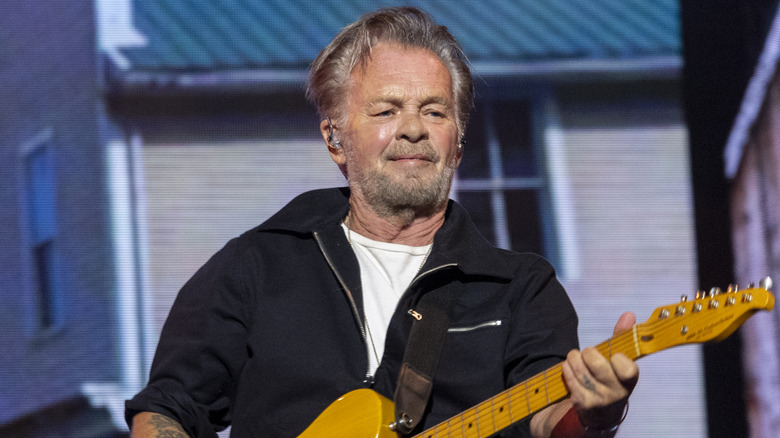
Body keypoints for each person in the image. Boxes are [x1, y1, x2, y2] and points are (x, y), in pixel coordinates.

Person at [126, 6, 638, 437]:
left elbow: (548, 421)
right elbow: (166, 409)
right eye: (387, 111)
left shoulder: (522, 288)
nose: (413, 129)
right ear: (335, 139)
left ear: (458, 145)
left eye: (435, 112)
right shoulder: (255, 265)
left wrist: (596, 413)